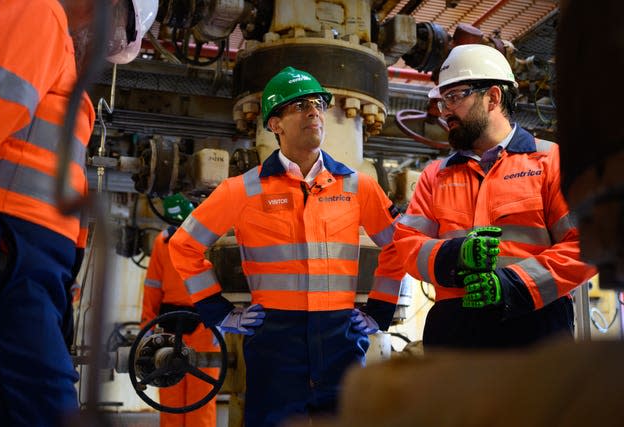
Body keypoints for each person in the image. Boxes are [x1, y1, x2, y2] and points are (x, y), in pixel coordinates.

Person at [168, 66, 405, 427]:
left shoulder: (359, 187)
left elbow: (399, 246)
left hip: (341, 338)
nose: (313, 112)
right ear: (274, 124)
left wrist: (380, 310)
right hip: (275, 341)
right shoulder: (242, 190)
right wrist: (219, 312)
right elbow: (183, 245)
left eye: (317, 104)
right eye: (299, 106)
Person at [0, 0, 157, 425]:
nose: (104, 48)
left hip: (26, 254)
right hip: (11, 243)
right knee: (45, 404)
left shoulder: (51, 35)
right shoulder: (37, 13)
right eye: (116, 35)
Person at [393, 44, 597, 350]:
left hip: (535, 333)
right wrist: (455, 255)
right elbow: (408, 246)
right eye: (441, 99)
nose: (444, 110)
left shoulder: (552, 162)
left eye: (454, 96)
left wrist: (512, 284)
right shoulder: (435, 176)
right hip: (455, 337)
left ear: (493, 97)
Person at [141, 194, 218, 427]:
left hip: (204, 326)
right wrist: (146, 328)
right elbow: (153, 287)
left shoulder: (211, 240)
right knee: (170, 397)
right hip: (168, 326)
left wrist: (221, 325)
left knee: (201, 400)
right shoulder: (162, 242)